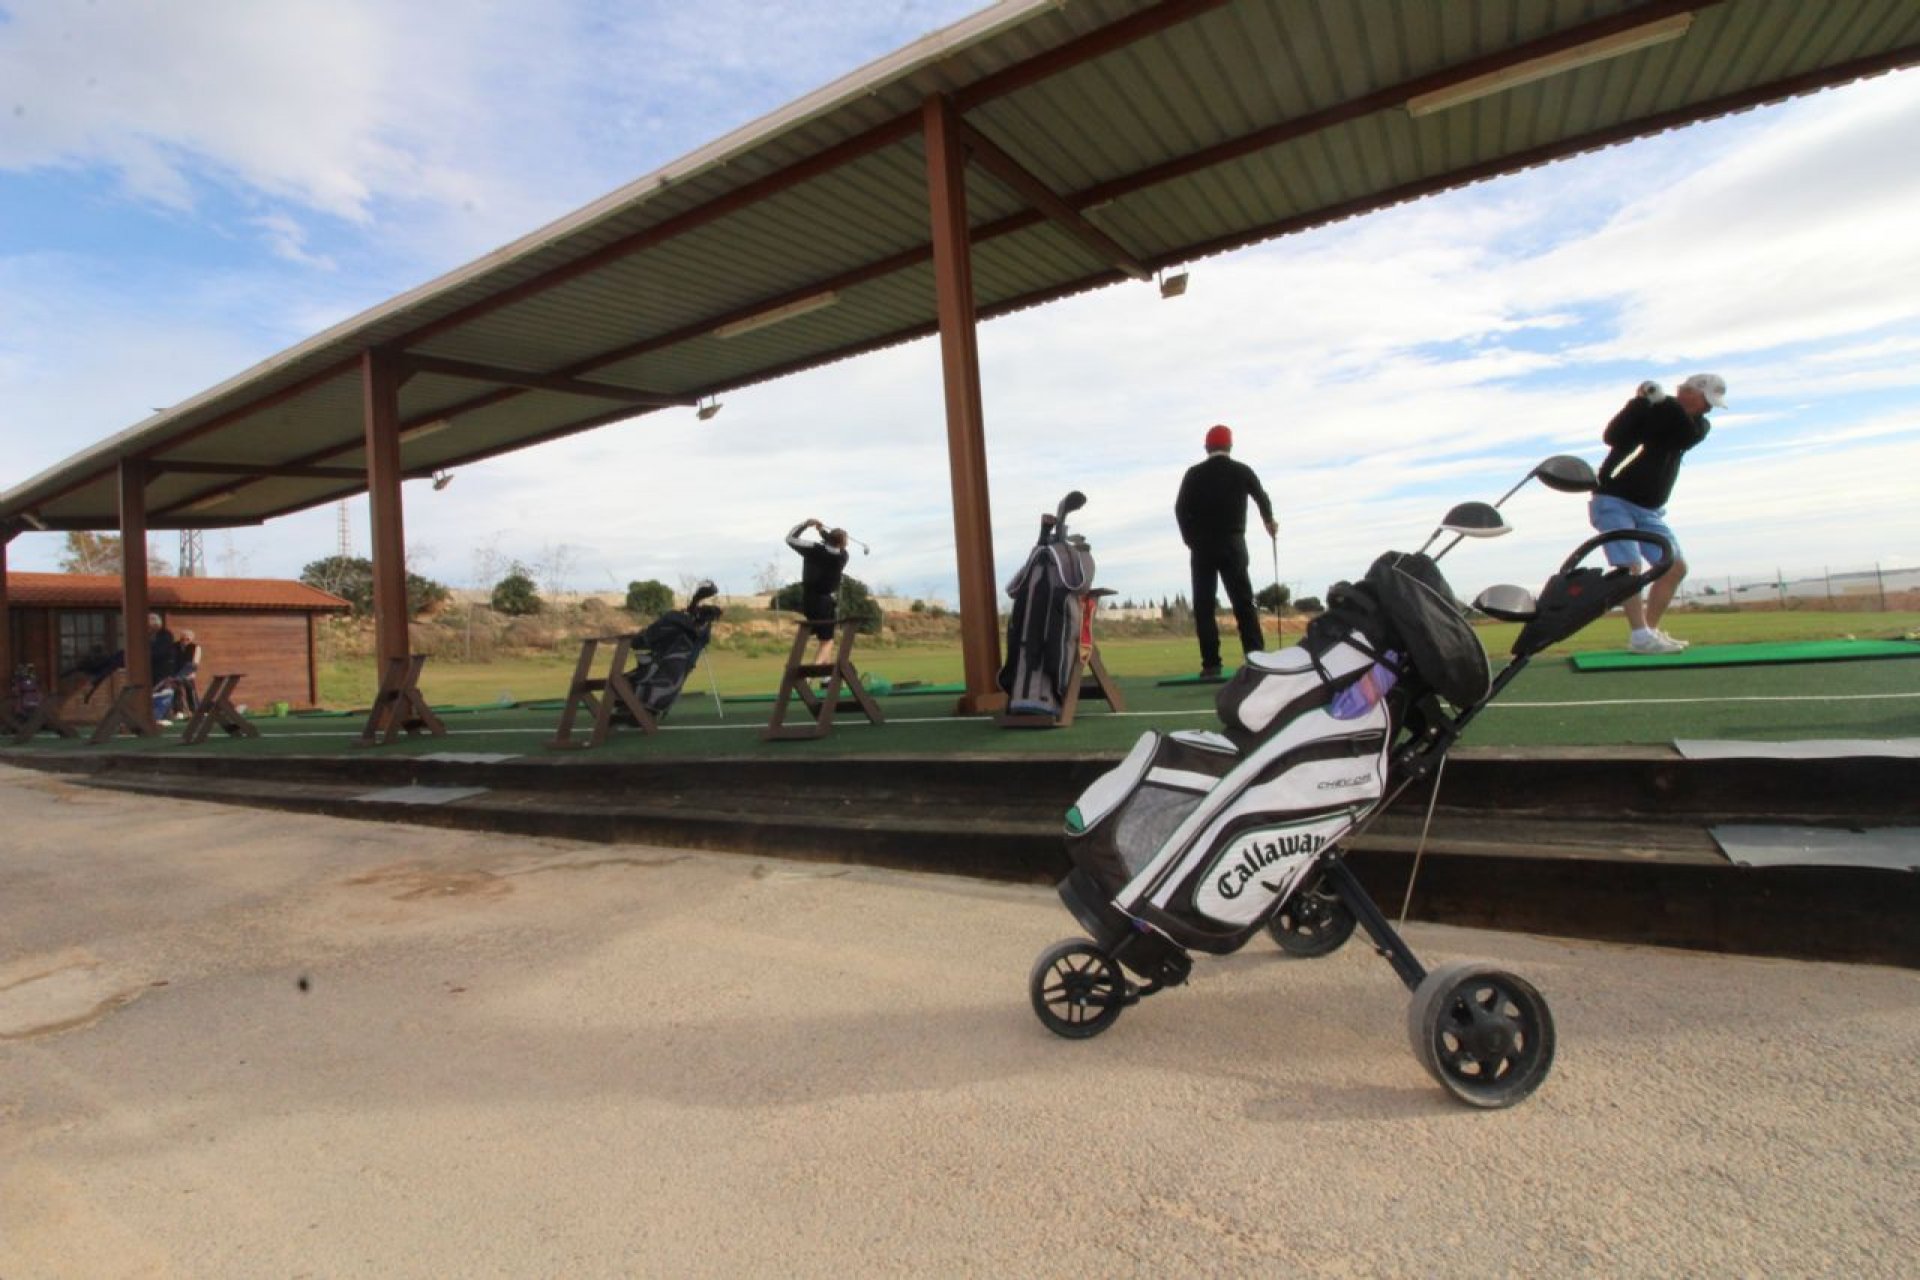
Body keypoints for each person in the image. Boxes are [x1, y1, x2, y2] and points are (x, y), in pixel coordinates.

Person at [1590, 373, 1724, 655]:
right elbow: (1612, 436)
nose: (1708, 408)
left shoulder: (1697, 425)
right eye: (1706, 401)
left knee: (1675, 567)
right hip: (1613, 500)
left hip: (1649, 510)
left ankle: (1646, 633)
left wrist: (1663, 401)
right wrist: (1639, 402)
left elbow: (1684, 434)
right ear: (1688, 393)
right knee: (1629, 567)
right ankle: (1641, 635)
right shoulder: (1649, 409)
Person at [1175, 423, 1278, 678]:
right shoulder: (1241, 471)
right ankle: (1256, 659)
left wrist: (1189, 538)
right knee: (1243, 603)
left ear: (1206, 447)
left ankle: (1211, 664)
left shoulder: (1193, 474)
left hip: (1202, 546)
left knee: (1204, 606)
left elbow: (1180, 508)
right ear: (1230, 446)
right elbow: (1261, 496)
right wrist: (1269, 520)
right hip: (1233, 543)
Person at [787, 517, 851, 665]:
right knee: (828, 642)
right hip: (824, 603)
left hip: (808, 600)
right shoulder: (842, 556)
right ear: (842, 544)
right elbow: (834, 543)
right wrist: (822, 531)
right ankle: (810, 676)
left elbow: (790, 539)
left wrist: (806, 525)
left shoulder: (813, 549)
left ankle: (826, 679)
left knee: (824, 639)